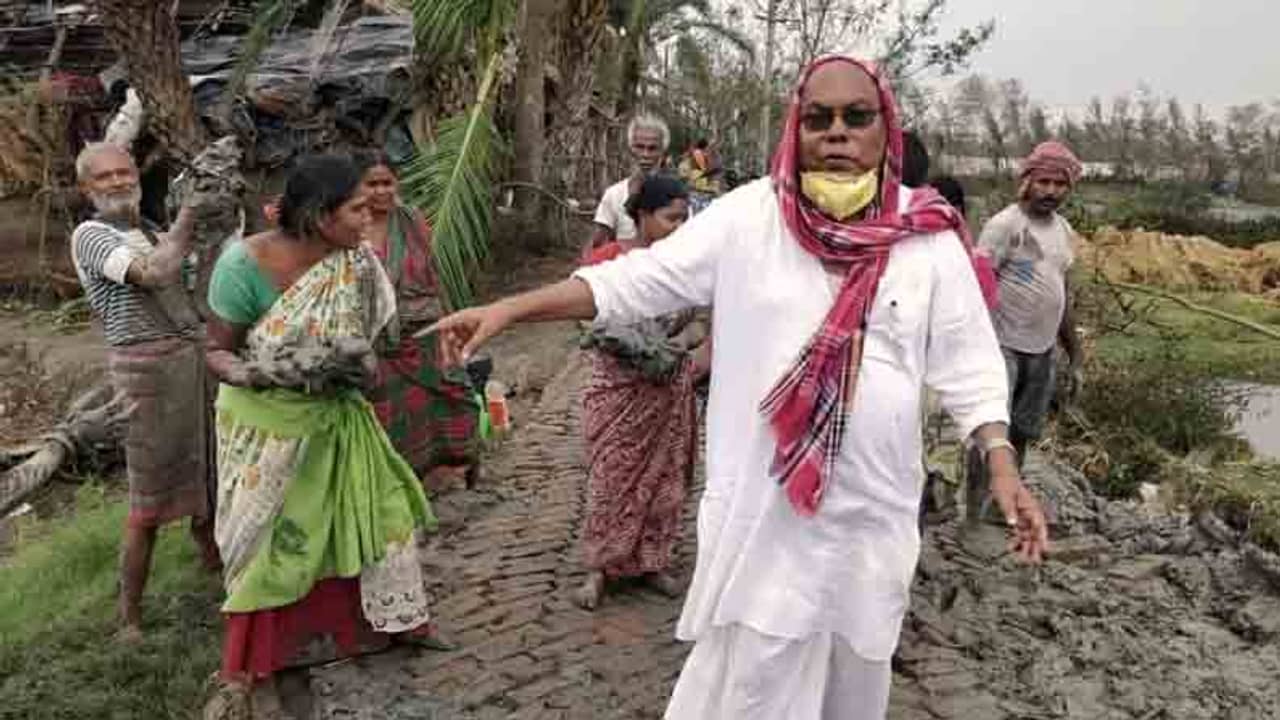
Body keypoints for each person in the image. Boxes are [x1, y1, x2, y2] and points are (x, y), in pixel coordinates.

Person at [426, 56, 1048, 719]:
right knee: (755, 683)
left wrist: (1002, 463)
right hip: (767, 513)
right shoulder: (751, 217)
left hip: (871, 516)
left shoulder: (925, 240)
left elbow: (970, 364)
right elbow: (635, 282)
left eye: (856, 117)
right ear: (796, 128)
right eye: (818, 118)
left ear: (884, 128)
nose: (837, 133)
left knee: (853, 681)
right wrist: (512, 309)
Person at [203, 155, 450, 716]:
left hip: (337, 421)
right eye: (358, 207)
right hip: (267, 431)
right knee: (275, 549)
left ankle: (377, 629)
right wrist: (261, 373)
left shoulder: (357, 265)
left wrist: (356, 365)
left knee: (384, 522)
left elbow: (376, 342)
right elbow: (216, 348)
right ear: (318, 215)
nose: (370, 217)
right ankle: (264, 666)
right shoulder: (244, 266)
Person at [69, 142, 219, 641]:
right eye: (104, 177)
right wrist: (191, 215)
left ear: (136, 174)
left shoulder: (149, 230)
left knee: (207, 471)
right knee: (148, 499)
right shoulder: (91, 235)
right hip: (146, 374)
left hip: (190, 361)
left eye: (123, 172)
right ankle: (129, 618)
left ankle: (213, 567)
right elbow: (155, 275)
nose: (116, 182)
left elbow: (194, 290)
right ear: (86, 189)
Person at [576, 175, 711, 610]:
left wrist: (681, 342)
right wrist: (629, 344)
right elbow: (586, 317)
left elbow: (700, 321)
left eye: (684, 219)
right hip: (617, 387)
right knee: (610, 476)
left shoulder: (688, 270)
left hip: (668, 387)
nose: (679, 227)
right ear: (642, 217)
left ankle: (653, 561)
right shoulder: (610, 260)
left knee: (667, 479)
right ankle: (599, 567)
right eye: (671, 218)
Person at [354, 152, 481, 488]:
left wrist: (452, 322)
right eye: (372, 184)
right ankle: (402, 484)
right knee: (390, 414)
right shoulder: (350, 226)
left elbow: (433, 270)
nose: (381, 191)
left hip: (424, 332)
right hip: (377, 342)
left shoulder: (411, 219)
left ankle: (454, 467)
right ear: (358, 187)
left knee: (456, 394)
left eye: (387, 183)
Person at [977, 141, 1085, 467]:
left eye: (1060, 184)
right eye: (1044, 182)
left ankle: (1003, 504)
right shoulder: (1004, 226)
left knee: (1023, 430)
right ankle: (974, 510)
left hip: (1042, 350)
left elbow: (1061, 294)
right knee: (993, 431)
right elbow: (976, 288)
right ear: (1027, 182)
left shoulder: (1063, 230)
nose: (1051, 191)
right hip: (1001, 346)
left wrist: (1075, 351)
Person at [584, 114, 670, 259]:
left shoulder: (676, 197)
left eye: (653, 148)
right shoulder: (614, 194)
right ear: (630, 149)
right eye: (639, 147)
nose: (645, 154)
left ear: (663, 151)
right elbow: (597, 244)